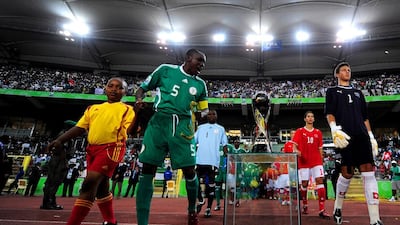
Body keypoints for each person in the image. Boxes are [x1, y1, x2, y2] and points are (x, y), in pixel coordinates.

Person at [46, 77, 135, 225]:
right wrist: (60, 140)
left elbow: (130, 131)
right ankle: (111, 221)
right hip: (92, 149)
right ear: (105, 88)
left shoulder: (127, 110)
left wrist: (137, 116)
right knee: (101, 188)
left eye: (119, 87)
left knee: (89, 184)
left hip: (111, 148)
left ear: (125, 92)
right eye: (110, 86)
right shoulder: (93, 108)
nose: (113, 89)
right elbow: (80, 128)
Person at [134, 48, 208, 225]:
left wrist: (201, 115)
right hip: (159, 121)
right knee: (147, 170)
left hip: (183, 125)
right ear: (188, 58)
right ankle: (142, 221)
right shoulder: (165, 70)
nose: (201, 66)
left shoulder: (200, 85)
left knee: (190, 170)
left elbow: (204, 109)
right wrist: (138, 101)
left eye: (203, 64)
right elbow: (142, 89)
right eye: (199, 61)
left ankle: (192, 210)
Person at [325, 62, 383, 225]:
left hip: (362, 136)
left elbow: (365, 117)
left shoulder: (358, 93)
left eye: (349, 70)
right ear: (337, 74)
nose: (347, 72)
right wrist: (334, 128)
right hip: (344, 136)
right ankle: (338, 207)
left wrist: (371, 136)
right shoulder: (332, 91)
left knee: (368, 172)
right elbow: (329, 113)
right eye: (343, 70)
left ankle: (375, 219)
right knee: (347, 173)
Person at [292, 111, 330, 219]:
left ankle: (322, 209)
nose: (310, 118)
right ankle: (305, 204)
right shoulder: (300, 131)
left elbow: (320, 149)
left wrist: (321, 160)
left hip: (316, 161)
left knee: (320, 181)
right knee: (304, 184)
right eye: (308, 116)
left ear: (314, 119)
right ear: (305, 119)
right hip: (304, 161)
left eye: (312, 116)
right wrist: (297, 151)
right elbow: (294, 146)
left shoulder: (318, 132)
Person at [194, 109, 228, 218]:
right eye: (209, 114)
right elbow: (193, 142)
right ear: (206, 116)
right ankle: (200, 199)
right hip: (199, 161)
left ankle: (208, 208)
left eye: (214, 114)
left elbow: (225, 145)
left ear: (217, 116)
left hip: (213, 161)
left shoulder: (221, 129)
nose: (211, 115)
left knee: (210, 186)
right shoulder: (200, 128)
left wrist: (229, 158)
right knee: (195, 182)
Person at [41, 120, 76, 210]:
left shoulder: (61, 135)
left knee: (50, 182)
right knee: (54, 182)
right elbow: (62, 150)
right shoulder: (65, 137)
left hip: (56, 160)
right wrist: (65, 162)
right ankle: (50, 202)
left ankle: (46, 202)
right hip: (59, 161)